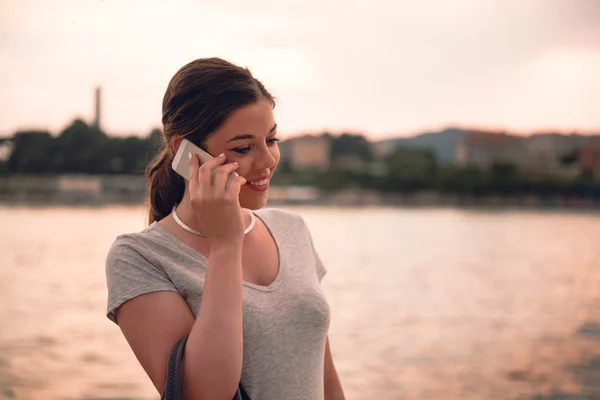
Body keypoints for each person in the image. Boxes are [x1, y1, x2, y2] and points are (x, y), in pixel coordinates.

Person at [105, 57, 345, 400]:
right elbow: (204, 394)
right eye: (244, 148)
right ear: (187, 153)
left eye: (272, 140)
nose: (268, 161)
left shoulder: (291, 228)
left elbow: (326, 380)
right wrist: (226, 245)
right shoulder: (139, 257)